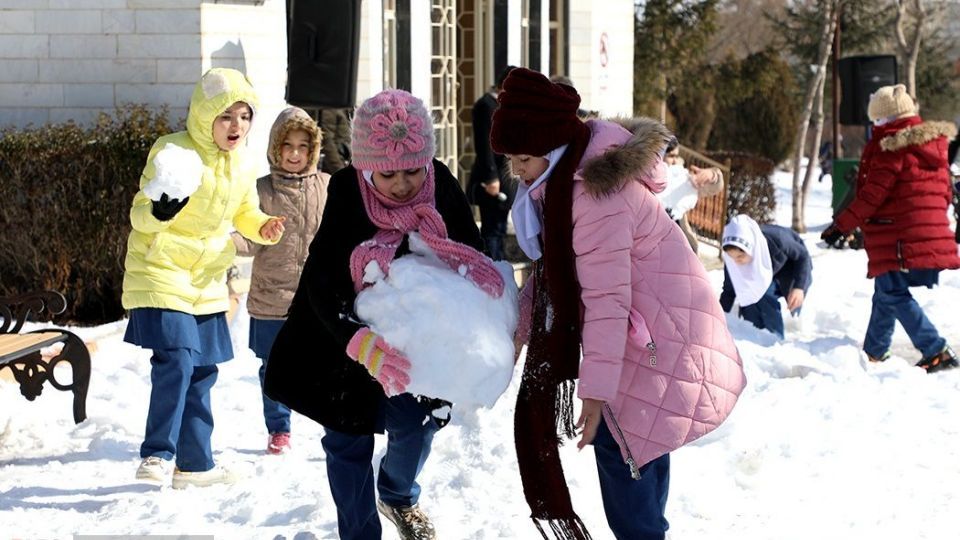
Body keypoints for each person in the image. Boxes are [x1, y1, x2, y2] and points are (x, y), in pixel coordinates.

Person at [490, 68, 746, 540]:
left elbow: (605, 299)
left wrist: (595, 391)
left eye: (523, 159)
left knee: (624, 443)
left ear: (550, 149)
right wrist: (517, 326)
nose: (517, 172)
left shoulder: (591, 197)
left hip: (657, 335)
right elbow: (557, 273)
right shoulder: (566, 180)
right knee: (642, 441)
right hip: (648, 330)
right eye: (512, 160)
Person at [264, 89, 487, 540]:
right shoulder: (348, 190)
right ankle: (359, 532)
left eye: (412, 170)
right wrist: (357, 340)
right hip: (345, 336)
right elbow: (322, 277)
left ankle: (398, 493)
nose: (402, 184)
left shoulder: (440, 182)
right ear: (366, 166)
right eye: (387, 173)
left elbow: (471, 254)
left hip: (416, 338)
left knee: (418, 425)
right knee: (347, 440)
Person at [122, 68, 286, 488]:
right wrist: (161, 210)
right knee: (176, 358)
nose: (237, 126)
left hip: (208, 275)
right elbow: (141, 214)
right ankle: (158, 454)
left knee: (202, 370)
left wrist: (262, 225)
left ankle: (195, 465)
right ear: (204, 115)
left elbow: (245, 213)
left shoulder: (243, 164)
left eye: (245, 117)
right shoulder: (173, 150)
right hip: (162, 267)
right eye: (226, 116)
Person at [822, 84, 960, 372]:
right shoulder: (932, 146)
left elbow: (872, 195)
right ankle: (874, 350)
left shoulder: (892, 147)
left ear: (884, 119)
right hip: (922, 231)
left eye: (876, 121)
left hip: (898, 233)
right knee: (886, 289)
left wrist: (841, 226)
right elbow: (945, 194)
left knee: (893, 292)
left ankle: (936, 350)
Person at [230, 106, 330, 455]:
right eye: (287, 145)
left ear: (313, 150)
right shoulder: (260, 190)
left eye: (303, 146)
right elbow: (249, 236)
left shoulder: (327, 187)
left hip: (316, 298)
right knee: (273, 367)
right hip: (272, 296)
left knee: (322, 363)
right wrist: (224, 243)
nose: (295, 153)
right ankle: (279, 428)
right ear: (275, 147)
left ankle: (330, 422)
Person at [719, 214, 812, 339]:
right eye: (732, 258)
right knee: (749, 295)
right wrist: (718, 318)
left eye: (740, 257)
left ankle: (775, 338)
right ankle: (754, 335)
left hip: (790, 271)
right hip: (765, 275)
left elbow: (803, 257)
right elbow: (730, 288)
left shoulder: (778, 240)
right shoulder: (733, 260)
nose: (736, 262)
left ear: (751, 248)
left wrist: (798, 287)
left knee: (765, 295)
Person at [469, 65, 517, 260]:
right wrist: (491, 178)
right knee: (492, 231)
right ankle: (492, 269)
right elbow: (484, 145)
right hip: (492, 178)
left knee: (500, 228)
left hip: (506, 176)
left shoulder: (506, 107)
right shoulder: (486, 106)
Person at [659, 137, 724, 252]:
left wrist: (713, 175)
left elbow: (713, 189)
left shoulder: (682, 176)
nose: (674, 161)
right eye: (671, 156)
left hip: (674, 242)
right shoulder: (641, 175)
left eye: (676, 156)